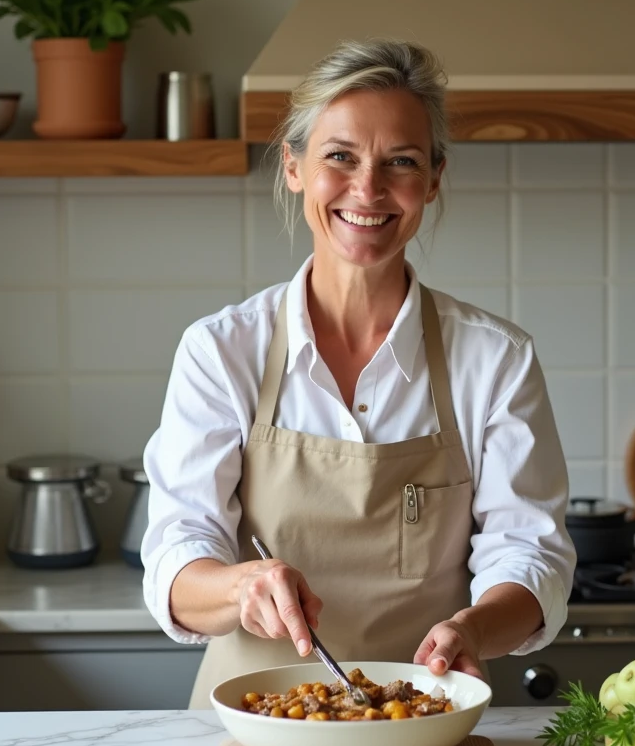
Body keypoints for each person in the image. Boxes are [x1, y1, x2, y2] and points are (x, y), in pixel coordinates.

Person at [140, 38, 576, 710]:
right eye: (339, 157)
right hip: (256, 726)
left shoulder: (496, 359)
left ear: (433, 178)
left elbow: (530, 553)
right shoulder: (221, 352)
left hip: (425, 719)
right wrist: (239, 587)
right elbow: (176, 549)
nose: (367, 189)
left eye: (399, 162)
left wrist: (474, 627)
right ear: (293, 168)